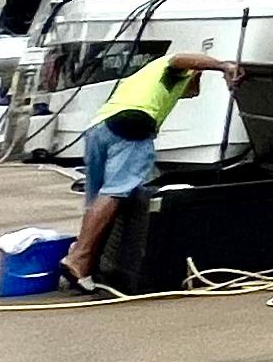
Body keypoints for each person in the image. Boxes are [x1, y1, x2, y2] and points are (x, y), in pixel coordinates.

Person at [61, 51, 248, 288]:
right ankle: (79, 258)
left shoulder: (149, 76)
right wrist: (222, 65)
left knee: (98, 199)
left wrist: (200, 74)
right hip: (133, 126)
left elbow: (191, 92)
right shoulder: (170, 65)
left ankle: (85, 260)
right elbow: (179, 59)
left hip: (99, 128)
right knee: (116, 191)